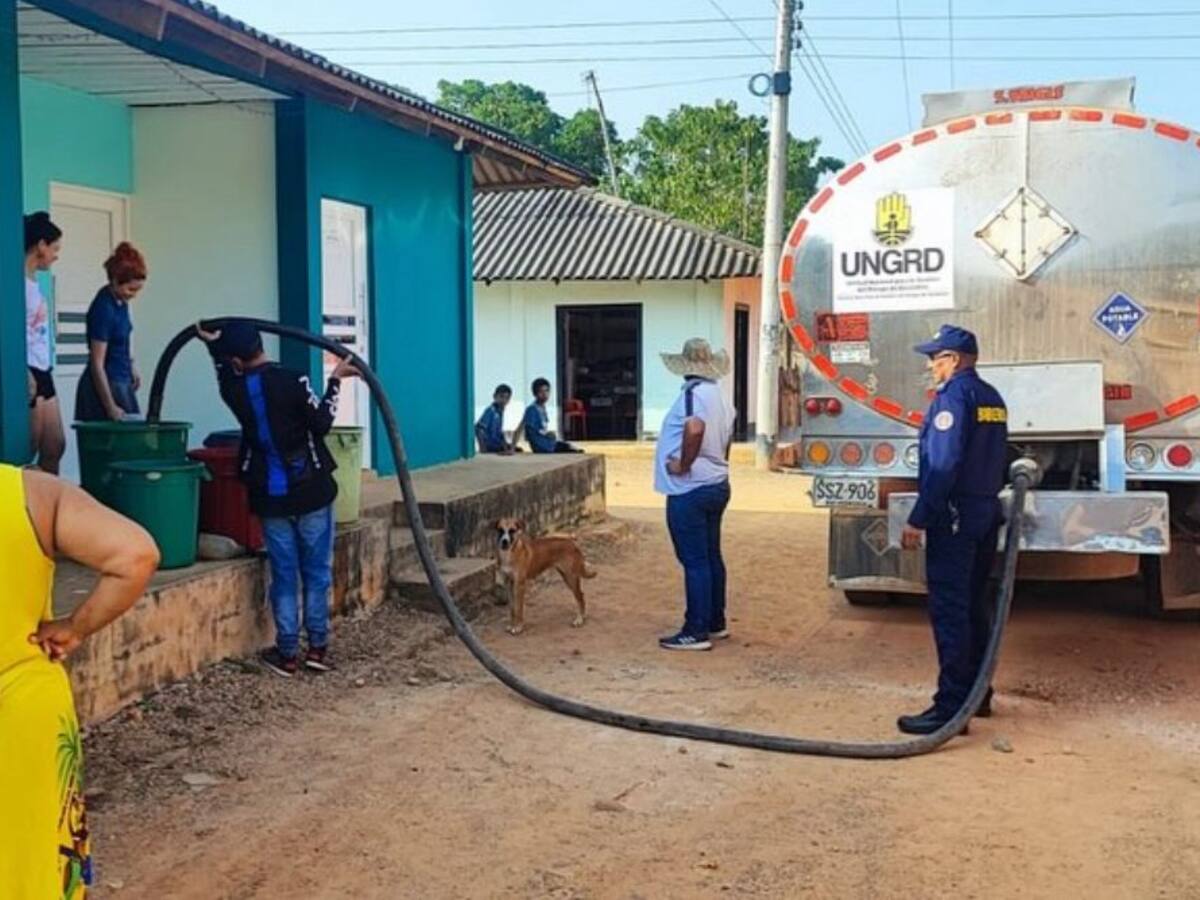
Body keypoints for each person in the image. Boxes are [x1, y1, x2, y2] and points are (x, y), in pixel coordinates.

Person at [0, 465, 159, 897]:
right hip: (22, 712)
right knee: (33, 870)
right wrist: (74, 628)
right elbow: (135, 555)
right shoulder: (33, 495)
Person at [197, 320, 359, 677]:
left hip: (270, 498)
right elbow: (321, 424)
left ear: (236, 360)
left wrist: (212, 346)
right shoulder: (294, 380)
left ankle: (287, 654)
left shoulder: (235, 391)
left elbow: (225, 372)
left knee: (284, 575)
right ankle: (317, 648)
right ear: (261, 345)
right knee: (316, 573)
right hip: (312, 491)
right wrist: (335, 382)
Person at [898, 324, 1008, 735]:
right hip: (984, 511)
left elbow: (943, 466)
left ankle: (949, 708)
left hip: (956, 516)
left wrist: (919, 518)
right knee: (975, 605)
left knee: (950, 610)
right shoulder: (991, 397)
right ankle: (978, 695)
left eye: (936, 358)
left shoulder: (953, 398)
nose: (930, 366)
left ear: (955, 360)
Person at [653, 338, 736, 651]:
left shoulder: (692, 395)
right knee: (711, 555)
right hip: (716, 482)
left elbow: (695, 429)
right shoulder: (721, 396)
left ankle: (696, 629)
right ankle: (715, 620)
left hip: (690, 487)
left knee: (694, 560)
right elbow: (725, 437)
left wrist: (683, 464)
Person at [75, 243, 148, 422]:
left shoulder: (121, 301)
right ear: (114, 280)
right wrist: (110, 407)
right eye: (130, 289)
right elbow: (97, 364)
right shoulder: (103, 308)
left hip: (121, 378)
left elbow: (122, 340)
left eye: (138, 289)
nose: (133, 295)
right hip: (107, 385)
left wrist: (131, 366)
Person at [24, 211, 65, 473]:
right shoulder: (13, 283)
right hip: (28, 370)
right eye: (54, 248)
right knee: (28, 447)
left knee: (55, 445)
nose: (56, 255)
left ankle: (49, 506)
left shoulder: (34, 283)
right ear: (40, 245)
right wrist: (23, 371)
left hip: (43, 368)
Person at [522, 377, 581, 453]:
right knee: (568, 449)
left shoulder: (542, 408)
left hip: (548, 443)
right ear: (535, 393)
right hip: (542, 445)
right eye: (541, 392)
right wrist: (546, 434)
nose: (545, 394)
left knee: (568, 446)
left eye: (547, 391)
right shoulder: (531, 410)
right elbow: (530, 430)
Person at [475, 383, 520, 454]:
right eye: (501, 397)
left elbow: (500, 433)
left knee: (516, 449)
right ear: (495, 397)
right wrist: (483, 448)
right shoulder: (490, 411)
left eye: (507, 398)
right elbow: (479, 429)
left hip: (497, 444)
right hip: (490, 445)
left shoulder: (500, 412)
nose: (504, 400)